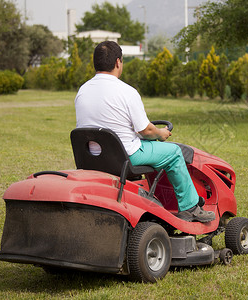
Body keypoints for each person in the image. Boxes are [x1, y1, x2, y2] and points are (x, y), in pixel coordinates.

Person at [74, 41, 215, 223]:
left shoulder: (83, 91)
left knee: (148, 147)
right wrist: (161, 134)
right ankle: (191, 207)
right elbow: (146, 130)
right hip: (126, 156)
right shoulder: (126, 92)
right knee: (174, 153)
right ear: (118, 62)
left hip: (92, 157)